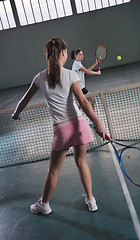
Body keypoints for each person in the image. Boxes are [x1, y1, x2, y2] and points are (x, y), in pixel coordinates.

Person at [12, 38, 106, 215]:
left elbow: (24, 100)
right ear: (63, 52)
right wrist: (98, 122)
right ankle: (91, 200)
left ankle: (44, 205)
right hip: (79, 125)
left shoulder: (39, 77)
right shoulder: (72, 75)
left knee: (53, 170)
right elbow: (83, 102)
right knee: (81, 162)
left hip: (62, 131)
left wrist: (16, 114)